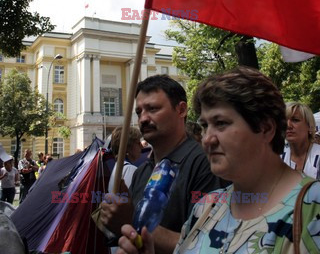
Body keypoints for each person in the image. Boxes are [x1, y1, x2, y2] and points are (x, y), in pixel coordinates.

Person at [118, 67, 320, 254]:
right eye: (205, 125)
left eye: (221, 123)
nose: (207, 139)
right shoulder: (207, 207)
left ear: (266, 128)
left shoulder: (312, 208)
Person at [101, 74, 224, 254]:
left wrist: (132, 221)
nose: (143, 119)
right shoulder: (141, 172)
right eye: (139, 112)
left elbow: (208, 244)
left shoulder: (206, 164)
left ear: (181, 110)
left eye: (153, 108)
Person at [282, 101, 320, 179]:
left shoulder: (318, 155)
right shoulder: (277, 156)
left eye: (295, 120)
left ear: (309, 126)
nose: (288, 125)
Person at [108, 126, 142, 193]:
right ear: (128, 147)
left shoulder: (119, 166)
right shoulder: (131, 170)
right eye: (138, 143)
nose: (142, 146)